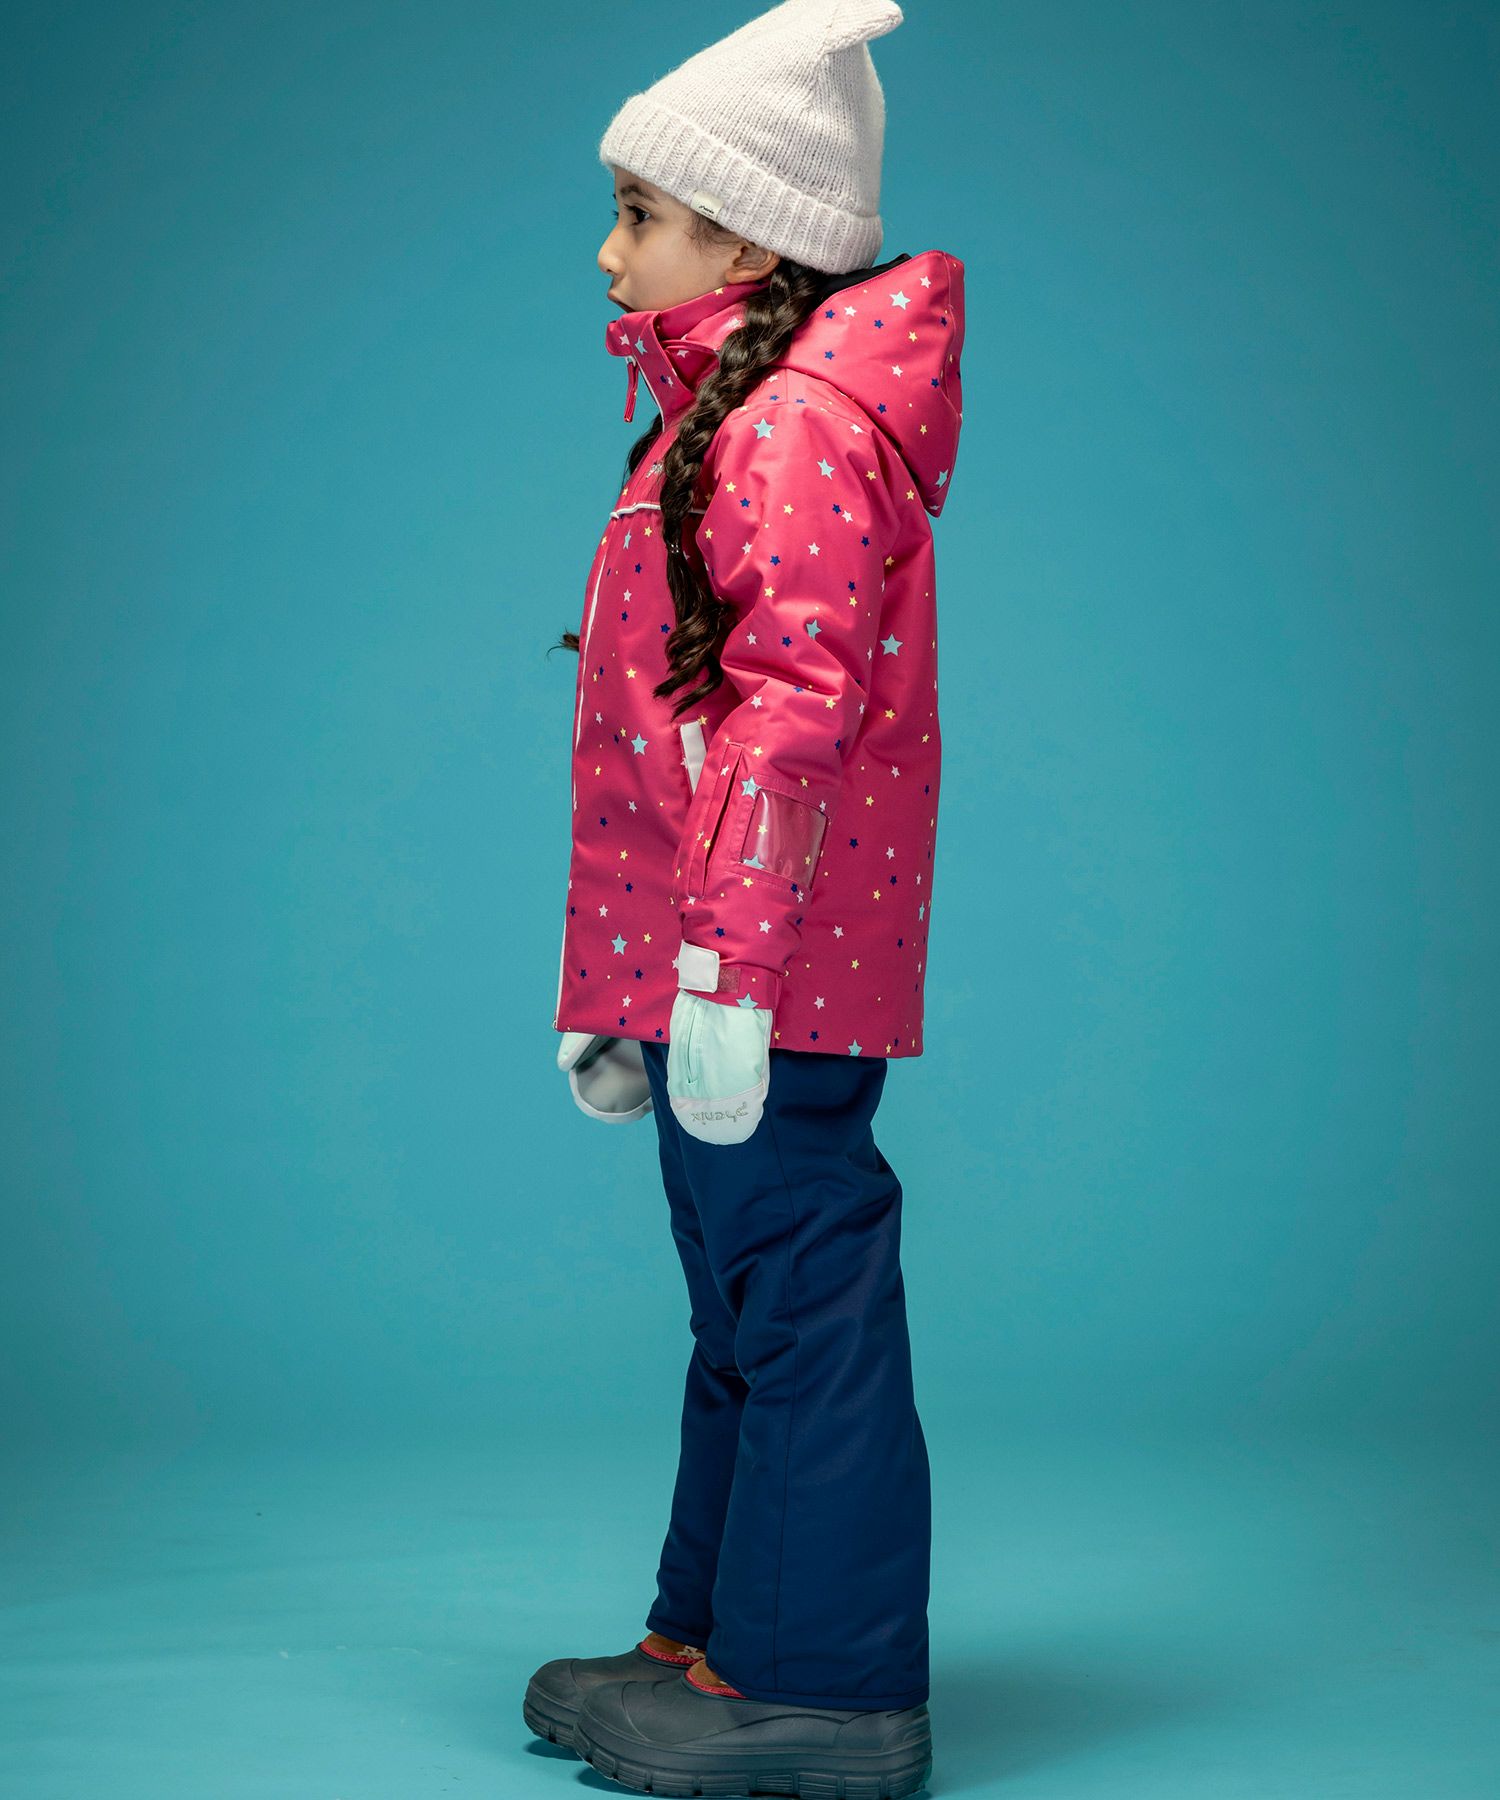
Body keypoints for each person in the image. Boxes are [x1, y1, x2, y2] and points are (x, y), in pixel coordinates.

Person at [526, 1, 966, 1793]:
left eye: (640, 212)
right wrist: (626, 985)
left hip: (765, 970)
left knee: (799, 1299)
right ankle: (716, 1644)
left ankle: (827, 1689)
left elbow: (790, 719)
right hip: (715, 967)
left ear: (749, 242)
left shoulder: (787, 431)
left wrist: (718, 971)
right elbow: (669, 737)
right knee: (748, 1303)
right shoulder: (717, 418)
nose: (610, 248)